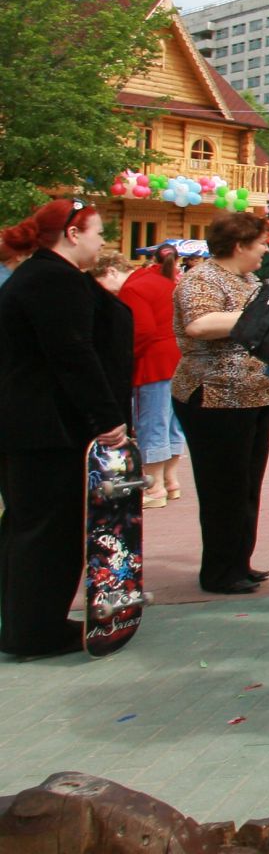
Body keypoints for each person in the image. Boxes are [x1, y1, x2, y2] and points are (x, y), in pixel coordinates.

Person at [0, 198, 134, 658]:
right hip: (45, 427)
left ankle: (25, 622)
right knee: (47, 530)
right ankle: (35, 629)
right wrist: (107, 418)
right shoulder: (53, 281)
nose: (103, 242)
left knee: (27, 524)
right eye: (98, 232)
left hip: (31, 423)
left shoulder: (41, 276)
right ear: (73, 234)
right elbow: (73, 355)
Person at [171, 211, 269, 595]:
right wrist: (257, 317)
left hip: (254, 395)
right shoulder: (202, 278)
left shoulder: (249, 280)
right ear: (239, 245)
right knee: (222, 489)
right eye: (261, 242)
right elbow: (199, 324)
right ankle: (218, 571)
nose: (266, 249)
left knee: (247, 485)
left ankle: (239, 562)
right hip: (213, 397)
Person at [119, 244, 186, 507]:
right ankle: (171, 481)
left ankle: (154, 486)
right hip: (176, 358)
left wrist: (127, 356)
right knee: (171, 422)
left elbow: (142, 330)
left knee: (151, 421)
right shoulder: (168, 283)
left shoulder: (134, 287)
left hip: (152, 362)